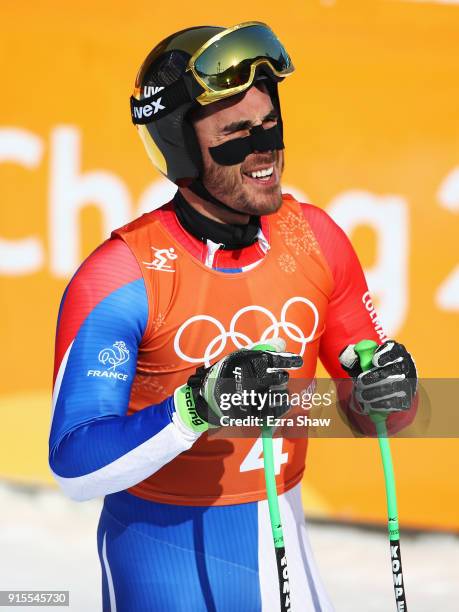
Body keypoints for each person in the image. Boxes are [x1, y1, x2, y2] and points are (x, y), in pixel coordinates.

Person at [49, 22, 417, 612]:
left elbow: (381, 415)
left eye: (270, 125)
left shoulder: (315, 238)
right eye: (235, 134)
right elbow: (72, 466)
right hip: (160, 561)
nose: (263, 150)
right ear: (180, 146)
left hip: (285, 551)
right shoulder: (121, 277)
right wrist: (196, 408)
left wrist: (389, 394)